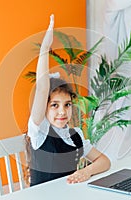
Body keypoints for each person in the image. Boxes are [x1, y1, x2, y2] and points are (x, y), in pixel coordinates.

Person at [27, 14, 111, 186]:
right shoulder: (40, 132)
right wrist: (45, 48)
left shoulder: (75, 136)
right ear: (44, 107)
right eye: (54, 105)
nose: (62, 111)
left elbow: (105, 161)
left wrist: (86, 171)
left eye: (67, 105)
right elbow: (43, 88)